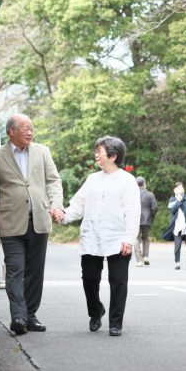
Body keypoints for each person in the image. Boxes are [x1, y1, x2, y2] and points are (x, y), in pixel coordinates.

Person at [0, 113, 64, 335]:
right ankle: (18, 316)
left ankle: (30, 315)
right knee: (15, 269)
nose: (29, 131)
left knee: (35, 272)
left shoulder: (42, 151)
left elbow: (53, 180)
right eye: (24, 128)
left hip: (40, 219)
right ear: (11, 131)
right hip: (11, 222)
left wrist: (57, 205)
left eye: (31, 128)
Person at [53, 136, 140, 337]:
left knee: (118, 281)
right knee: (89, 279)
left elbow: (133, 212)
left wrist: (129, 239)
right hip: (92, 237)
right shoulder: (92, 179)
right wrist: (64, 215)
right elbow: (78, 205)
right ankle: (95, 311)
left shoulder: (127, 181)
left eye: (99, 151)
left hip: (118, 238)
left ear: (113, 155)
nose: (96, 155)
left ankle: (115, 322)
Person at [161, 182, 186, 270]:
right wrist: (178, 201)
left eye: (182, 188)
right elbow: (172, 211)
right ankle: (177, 262)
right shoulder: (172, 200)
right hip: (177, 226)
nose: (180, 190)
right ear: (174, 190)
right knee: (177, 245)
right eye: (178, 188)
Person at [134, 176, 158, 267]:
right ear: (144, 184)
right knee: (146, 238)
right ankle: (146, 257)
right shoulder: (150, 194)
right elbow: (155, 208)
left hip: (135, 219)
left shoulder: (132, 194)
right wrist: (151, 216)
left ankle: (139, 260)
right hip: (146, 220)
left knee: (136, 239)